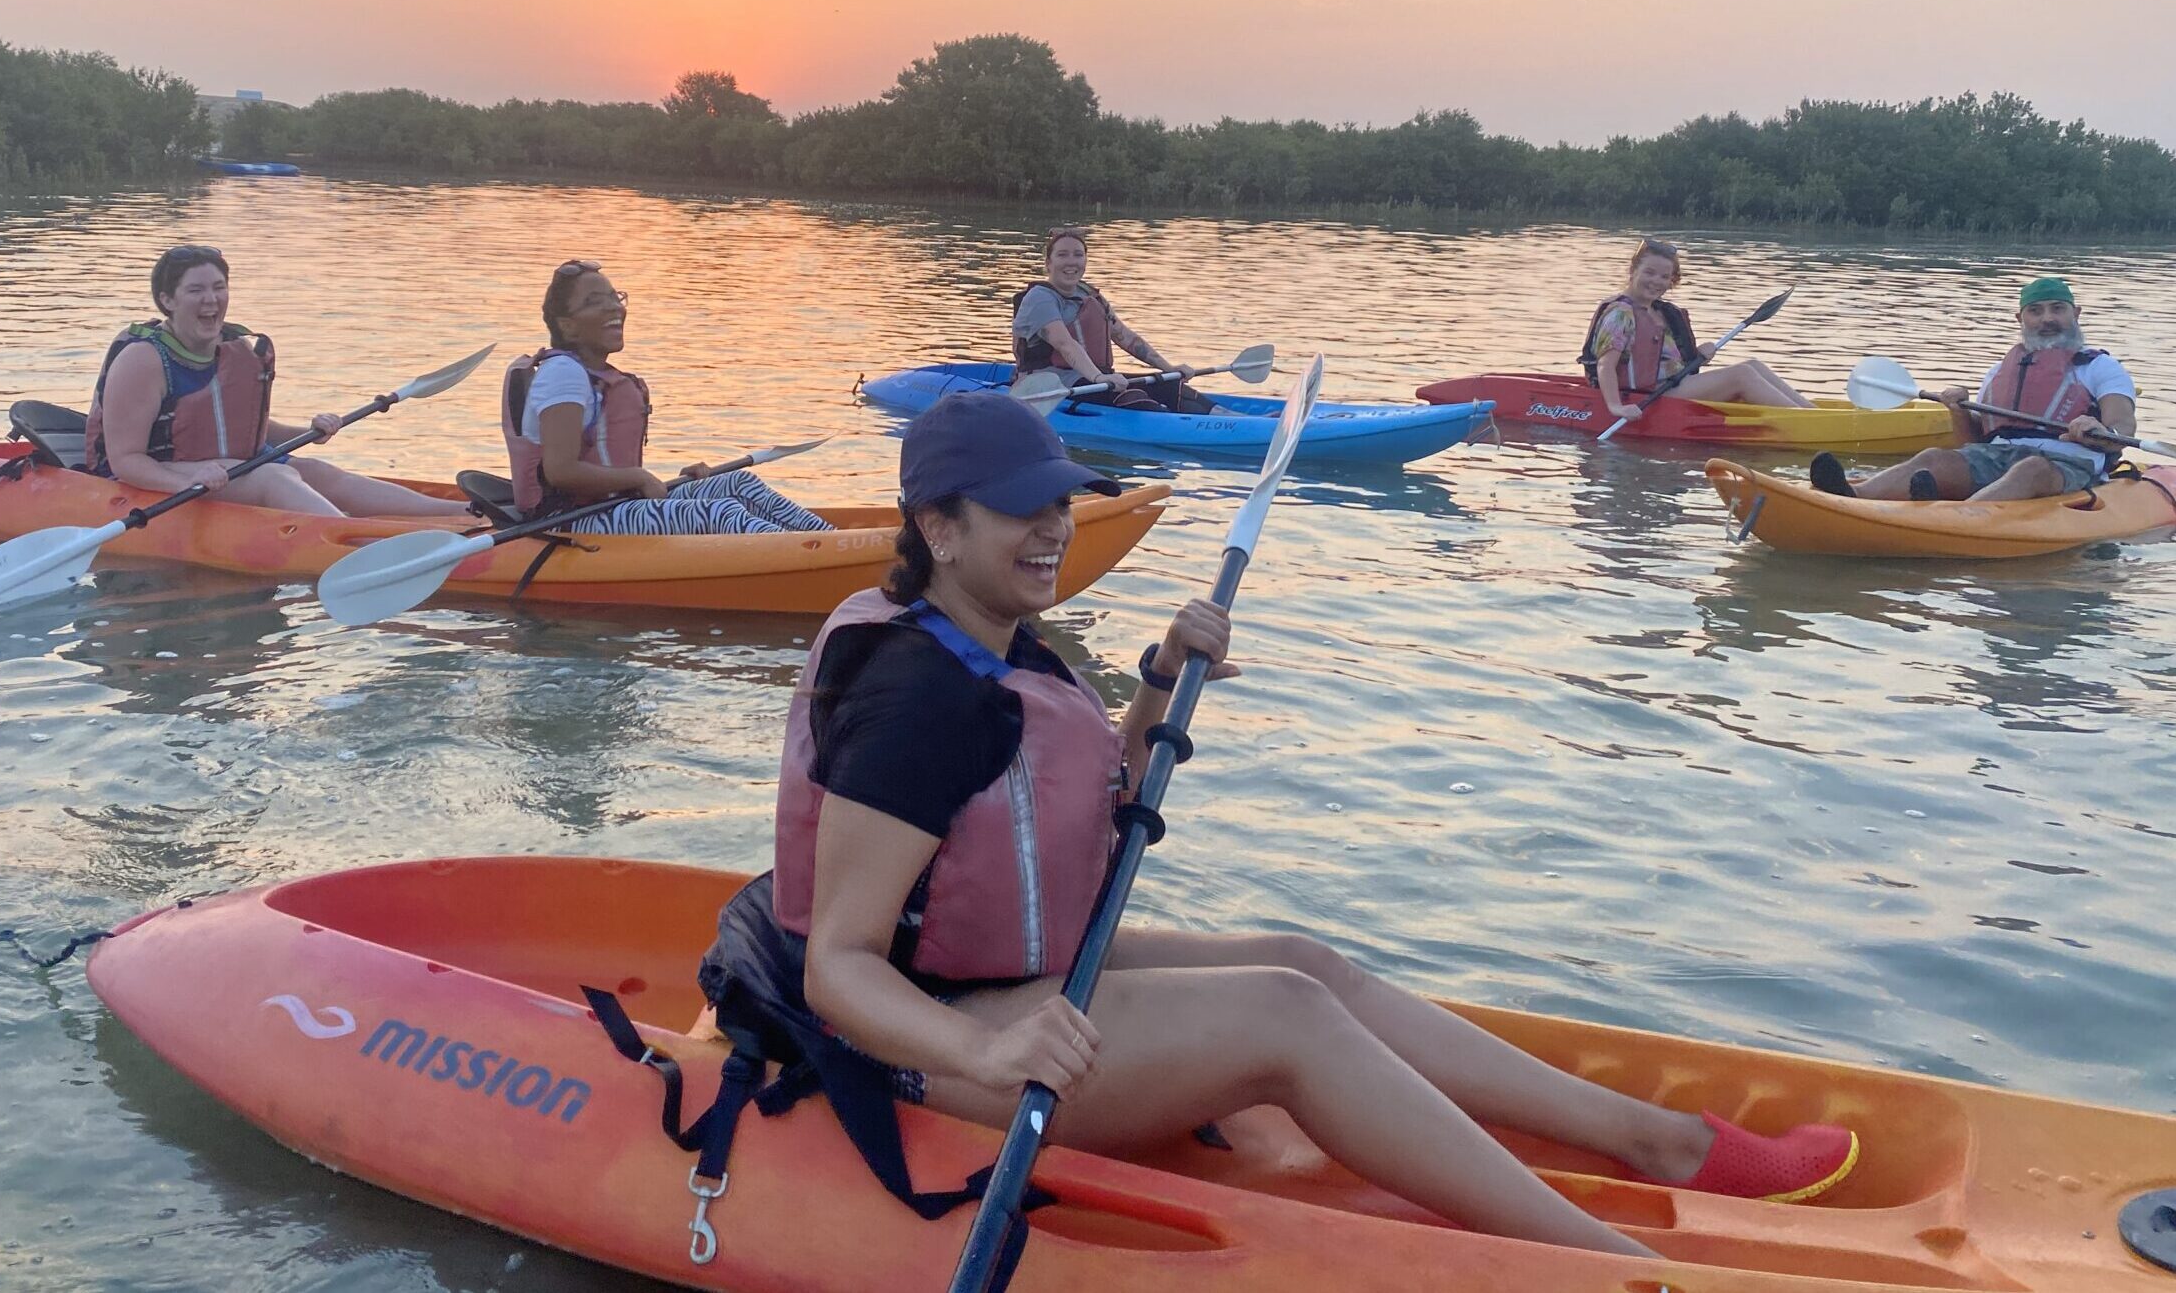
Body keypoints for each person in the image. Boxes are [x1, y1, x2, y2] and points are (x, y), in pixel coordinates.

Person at [689, 392, 1859, 1258]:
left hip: (989, 974)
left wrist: (1153, 685)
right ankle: (1619, 1270)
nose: (1048, 531)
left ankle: (1657, 1140)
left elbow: (1051, 816)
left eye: (1058, 505)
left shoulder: (982, 628)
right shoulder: (913, 697)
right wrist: (988, 1052)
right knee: (1284, 1016)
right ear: (937, 527)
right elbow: (841, 964)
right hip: (913, 1034)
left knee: (1306, 961)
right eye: (1017, 515)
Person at [85, 244, 459, 518]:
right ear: (167, 300)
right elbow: (126, 460)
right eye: (195, 290)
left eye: (218, 287)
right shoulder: (143, 360)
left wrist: (310, 429)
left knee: (314, 472)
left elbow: (242, 428)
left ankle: (462, 512)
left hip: (218, 465)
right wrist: (186, 482)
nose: (211, 299)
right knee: (274, 478)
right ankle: (355, 544)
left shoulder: (232, 347)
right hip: (155, 471)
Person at [502, 259, 834, 535]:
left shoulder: (593, 374)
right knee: (720, 513)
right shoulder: (563, 374)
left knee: (737, 484)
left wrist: (654, 479)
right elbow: (560, 471)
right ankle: (817, 558)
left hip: (615, 504)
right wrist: (640, 477)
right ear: (568, 326)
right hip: (570, 523)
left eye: (613, 296)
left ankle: (829, 541)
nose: (612, 307)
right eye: (594, 302)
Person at [1812, 276, 2135, 502]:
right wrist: (1957, 411)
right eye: (2035, 311)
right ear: (2020, 318)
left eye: (2057, 309)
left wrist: (2099, 429)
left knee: (2030, 469)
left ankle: (1958, 514)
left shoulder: (2099, 367)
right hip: (1997, 455)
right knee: (1934, 458)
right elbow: (1973, 442)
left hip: (2068, 464)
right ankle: (1851, 496)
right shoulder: (1999, 371)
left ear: (2075, 314)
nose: (2046, 319)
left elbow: (2123, 425)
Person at [1581, 238, 1811, 417]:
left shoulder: (1658, 311)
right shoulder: (1621, 314)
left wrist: (1698, 356)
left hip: (1671, 385)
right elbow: (1605, 365)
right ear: (1633, 272)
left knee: (1752, 365)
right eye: (1649, 272)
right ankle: (1808, 423)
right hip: (1647, 396)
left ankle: (1813, 413)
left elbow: (1661, 360)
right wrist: (1616, 407)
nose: (1656, 281)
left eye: (1664, 276)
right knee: (1742, 375)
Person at [1011, 226, 1213, 413]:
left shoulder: (1089, 294)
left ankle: (1227, 418)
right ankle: (1176, 425)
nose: (1071, 261)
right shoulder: (1040, 298)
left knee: (1170, 385)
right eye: (1062, 255)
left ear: (1085, 261)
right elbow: (1065, 344)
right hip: (1051, 384)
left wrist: (1168, 368)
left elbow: (1125, 336)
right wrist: (1098, 377)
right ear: (1048, 263)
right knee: (1132, 397)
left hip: (1094, 379)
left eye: (1078, 255)